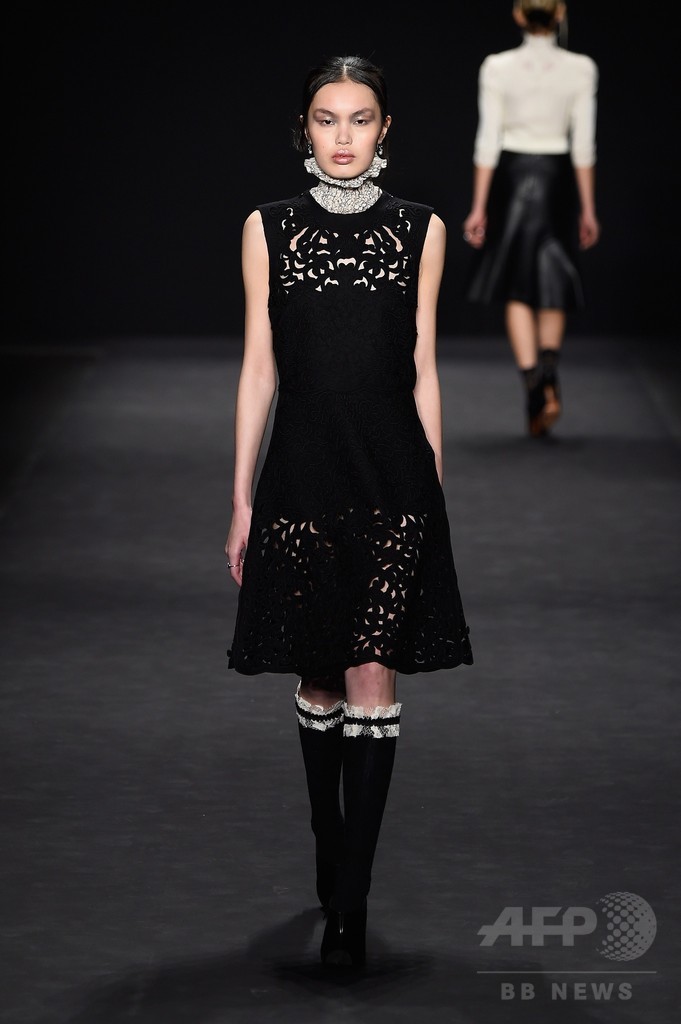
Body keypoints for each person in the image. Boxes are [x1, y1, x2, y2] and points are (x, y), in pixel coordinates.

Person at [224, 55, 473, 969]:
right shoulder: (268, 227)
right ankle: (329, 848)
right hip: (300, 477)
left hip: (391, 478)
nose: (342, 136)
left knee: (373, 680)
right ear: (305, 128)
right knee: (319, 680)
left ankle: (351, 903)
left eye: (359, 119)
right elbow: (258, 368)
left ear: (384, 129)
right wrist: (240, 498)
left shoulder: (419, 229)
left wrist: (432, 488)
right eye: (326, 119)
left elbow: (424, 366)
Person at [462, 0, 600, 437]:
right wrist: (588, 208)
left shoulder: (497, 67)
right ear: (559, 14)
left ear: (519, 15)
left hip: (513, 177)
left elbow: (488, 140)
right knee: (552, 278)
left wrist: (478, 207)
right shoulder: (581, 68)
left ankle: (533, 386)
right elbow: (584, 144)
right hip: (557, 180)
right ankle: (549, 372)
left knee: (517, 286)